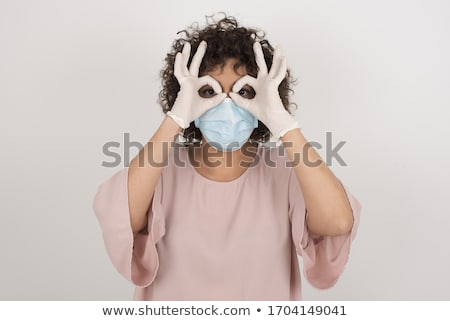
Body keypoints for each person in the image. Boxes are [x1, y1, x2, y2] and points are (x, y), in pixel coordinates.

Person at [93, 15, 361, 300]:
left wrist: (284, 125)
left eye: (245, 91)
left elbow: (337, 223)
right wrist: (176, 119)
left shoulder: (285, 171)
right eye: (209, 91)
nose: (227, 104)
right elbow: (122, 220)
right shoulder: (161, 170)